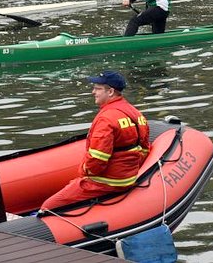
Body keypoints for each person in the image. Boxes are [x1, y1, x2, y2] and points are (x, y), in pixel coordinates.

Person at [40, 71, 150, 212]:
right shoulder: (136, 113)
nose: (93, 92)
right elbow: (145, 149)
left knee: (48, 207)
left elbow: (97, 160)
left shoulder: (106, 119)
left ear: (110, 91)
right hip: (127, 179)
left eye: (97, 88)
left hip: (106, 182)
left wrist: (84, 172)